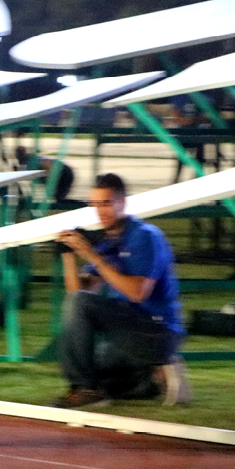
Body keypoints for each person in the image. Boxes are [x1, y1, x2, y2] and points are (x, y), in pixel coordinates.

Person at [53, 173, 190, 409]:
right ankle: (153, 378)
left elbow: (138, 293)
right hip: (126, 336)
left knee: (87, 373)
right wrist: (67, 255)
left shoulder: (145, 236)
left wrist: (91, 255)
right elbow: (77, 294)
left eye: (106, 203)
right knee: (88, 365)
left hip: (155, 332)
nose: (100, 211)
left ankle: (86, 390)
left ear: (122, 202)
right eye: (95, 205)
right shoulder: (108, 242)